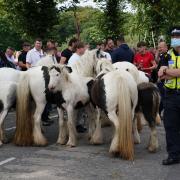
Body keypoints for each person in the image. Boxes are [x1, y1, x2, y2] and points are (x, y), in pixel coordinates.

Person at [158, 27, 180, 165]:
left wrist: (168, 71)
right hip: (170, 95)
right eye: (173, 36)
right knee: (170, 126)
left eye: (177, 35)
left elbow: (173, 73)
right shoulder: (167, 55)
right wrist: (168, 71)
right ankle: (174, 154)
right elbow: (161, 76)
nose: (175, 38)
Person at [156, 41, 170, 116]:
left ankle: (164, 113)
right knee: (161, 97)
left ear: (166, 47)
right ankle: (158, 113)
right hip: (160, 80)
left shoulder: (168, 56)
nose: (159, 49)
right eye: (158, 47)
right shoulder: (162, 55)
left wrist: (162, 77)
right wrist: (157, 54)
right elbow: (157, 62)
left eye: (161, 47)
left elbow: (170, 67)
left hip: (164, 80)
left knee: (164, 98)